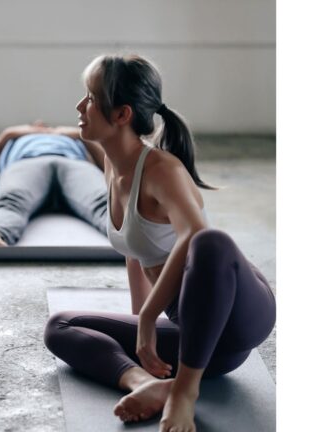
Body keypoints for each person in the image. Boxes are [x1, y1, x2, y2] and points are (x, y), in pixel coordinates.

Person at [43, 54, 275, 432]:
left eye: (90, 96)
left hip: (240, 317)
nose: (80, 106)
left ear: (122, 114)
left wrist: (150, 317)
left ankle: (184, 394)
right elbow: (136, 251)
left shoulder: (162, 171)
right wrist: (140, 330)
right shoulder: (112, 165)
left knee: (210, 242)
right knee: (61, 326)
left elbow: (194, 236)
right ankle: (148, 384)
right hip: (199, 343)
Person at [0, 121, 109, 252]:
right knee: (12, 199)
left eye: (47, 126)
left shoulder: (74, 140)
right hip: (27, 163)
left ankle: (127, 234)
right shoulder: (14, 140)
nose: (43, 127)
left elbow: (116, 170)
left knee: (102, 200)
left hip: (73, 163)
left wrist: (82, 137)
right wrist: (6, 135)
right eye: (36, 126)